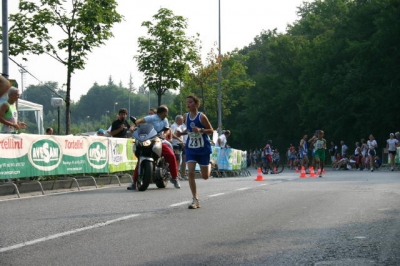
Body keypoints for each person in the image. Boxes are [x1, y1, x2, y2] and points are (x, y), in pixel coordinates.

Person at [127, 105, 180, 190]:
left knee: (171, 155)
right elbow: (140, 120)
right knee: (140, 159)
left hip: (159, 140)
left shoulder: (165, 120)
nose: (167, 114)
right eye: (167, 112)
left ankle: (174, 178)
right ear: (163, 113)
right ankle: (134, 182)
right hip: (148, 140)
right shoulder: (151, 118)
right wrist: (133, 126)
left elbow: (167, 129)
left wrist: (164, 135)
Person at [176, 94, 213, 209]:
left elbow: (211, 130)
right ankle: (195, 199)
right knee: (190, 172)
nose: (188, 104)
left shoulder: (202, 117)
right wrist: (182, 133)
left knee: (205, 176)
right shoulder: (185, 116)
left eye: (191, 102)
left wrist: (201, 130)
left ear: (197, 104)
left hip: (203, 148)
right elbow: (189, 130)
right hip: (191, 148)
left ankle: (211, 163)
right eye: (187, 102)